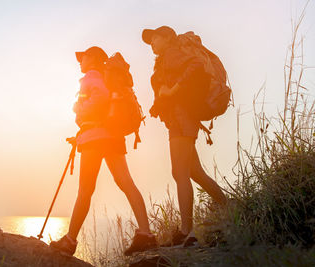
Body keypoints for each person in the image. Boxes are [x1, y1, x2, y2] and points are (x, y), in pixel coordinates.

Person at [50, 46, 157, 256]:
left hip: (95, 138)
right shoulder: (109, 78)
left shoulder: (91, 76)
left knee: (85, 190)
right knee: (126, 182)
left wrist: (78, 110)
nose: (80, 62)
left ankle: (70, 240)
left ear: (92, 59)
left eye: (83, 57)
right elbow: (106, 101)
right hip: (113, 135)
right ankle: (146, 234)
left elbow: (99, 99)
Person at [142, 26, 227, 247]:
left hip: (182, 120)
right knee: (193, 171)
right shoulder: (165, 59)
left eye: (155, 38)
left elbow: (196, 65)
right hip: (181, 118)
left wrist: (172, 90)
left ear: (168, 38)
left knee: (179, 172)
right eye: (149, 41)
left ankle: (187, 232)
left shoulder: (171, 52)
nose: (152, 43)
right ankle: (229, 206)